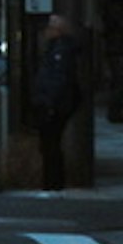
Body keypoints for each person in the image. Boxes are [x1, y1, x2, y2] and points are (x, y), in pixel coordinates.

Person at [25, 11, 90, 191]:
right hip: (56, 102)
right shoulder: (59, 49)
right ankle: (53, 181)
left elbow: (58, 79)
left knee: (50, 143)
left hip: (54, 103)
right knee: (50, 143)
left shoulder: (60, 51)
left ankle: (53, 182)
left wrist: (49, 101)